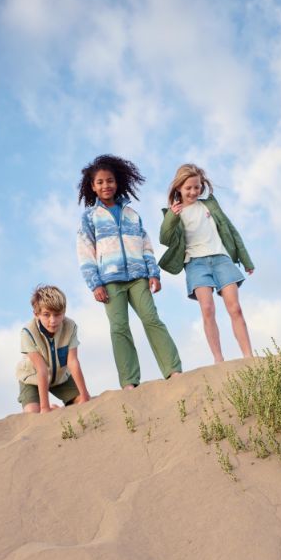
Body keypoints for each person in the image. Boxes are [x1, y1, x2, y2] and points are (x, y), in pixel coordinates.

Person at [77, 154, 182, 389]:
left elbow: (146, 244)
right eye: (101, 182)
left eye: (110, 180)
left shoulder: (132, 214)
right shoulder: (89, 217)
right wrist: (95, 283)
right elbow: (85, 252)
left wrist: (153, 272)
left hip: (138, 277)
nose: (106, 185)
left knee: (151, 319)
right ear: (92, 186)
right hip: (109, 281)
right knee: (119, 328)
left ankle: (173, 370)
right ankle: (129, 381)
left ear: (118, 182)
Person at [159, 163, 254, 364]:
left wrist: (246, 260)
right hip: (195, 264)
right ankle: (218, 359)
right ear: (178, 188)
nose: (194, 191)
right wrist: (171, 217)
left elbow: (230, 229)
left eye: (197, 187)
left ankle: (248, 356)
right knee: (208, 309)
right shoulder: (174, 213)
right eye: (188, 188)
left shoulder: (209, 205)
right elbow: (165, 238)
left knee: (235, 308)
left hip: (221, 259)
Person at [16, 284, 90, 413]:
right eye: (46, 315)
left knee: (82, 403)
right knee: (33, 413)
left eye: (57, 314)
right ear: (36, 314)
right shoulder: (28, 332)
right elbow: (41, 369)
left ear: (64, 312)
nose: (53, 320)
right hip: (33, 378)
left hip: (60, 378)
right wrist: (45, 408)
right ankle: (47, 407)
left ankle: (57, 408)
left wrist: (84, 394)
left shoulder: (70, 326)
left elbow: (72, 362)